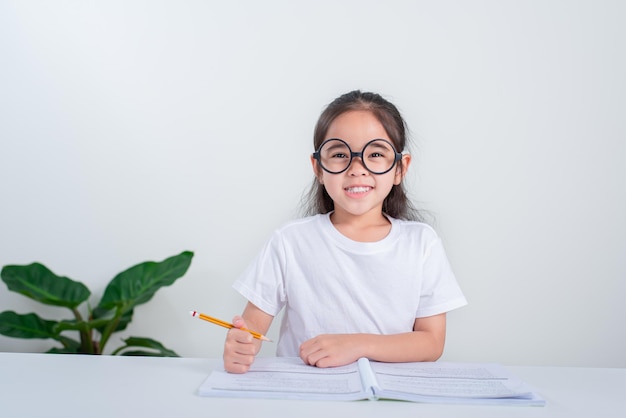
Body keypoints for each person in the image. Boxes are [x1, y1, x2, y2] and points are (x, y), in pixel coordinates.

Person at [223, 90, 467, 374]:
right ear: (318, 167)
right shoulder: (290, 241)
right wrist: (241, 344)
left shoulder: (422, 243)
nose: (357, 168)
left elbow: (431, 343)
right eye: (339, 154)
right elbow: (251, 326)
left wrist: (356, 345)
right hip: (305, 393)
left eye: (375, 153)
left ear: (400, 168)